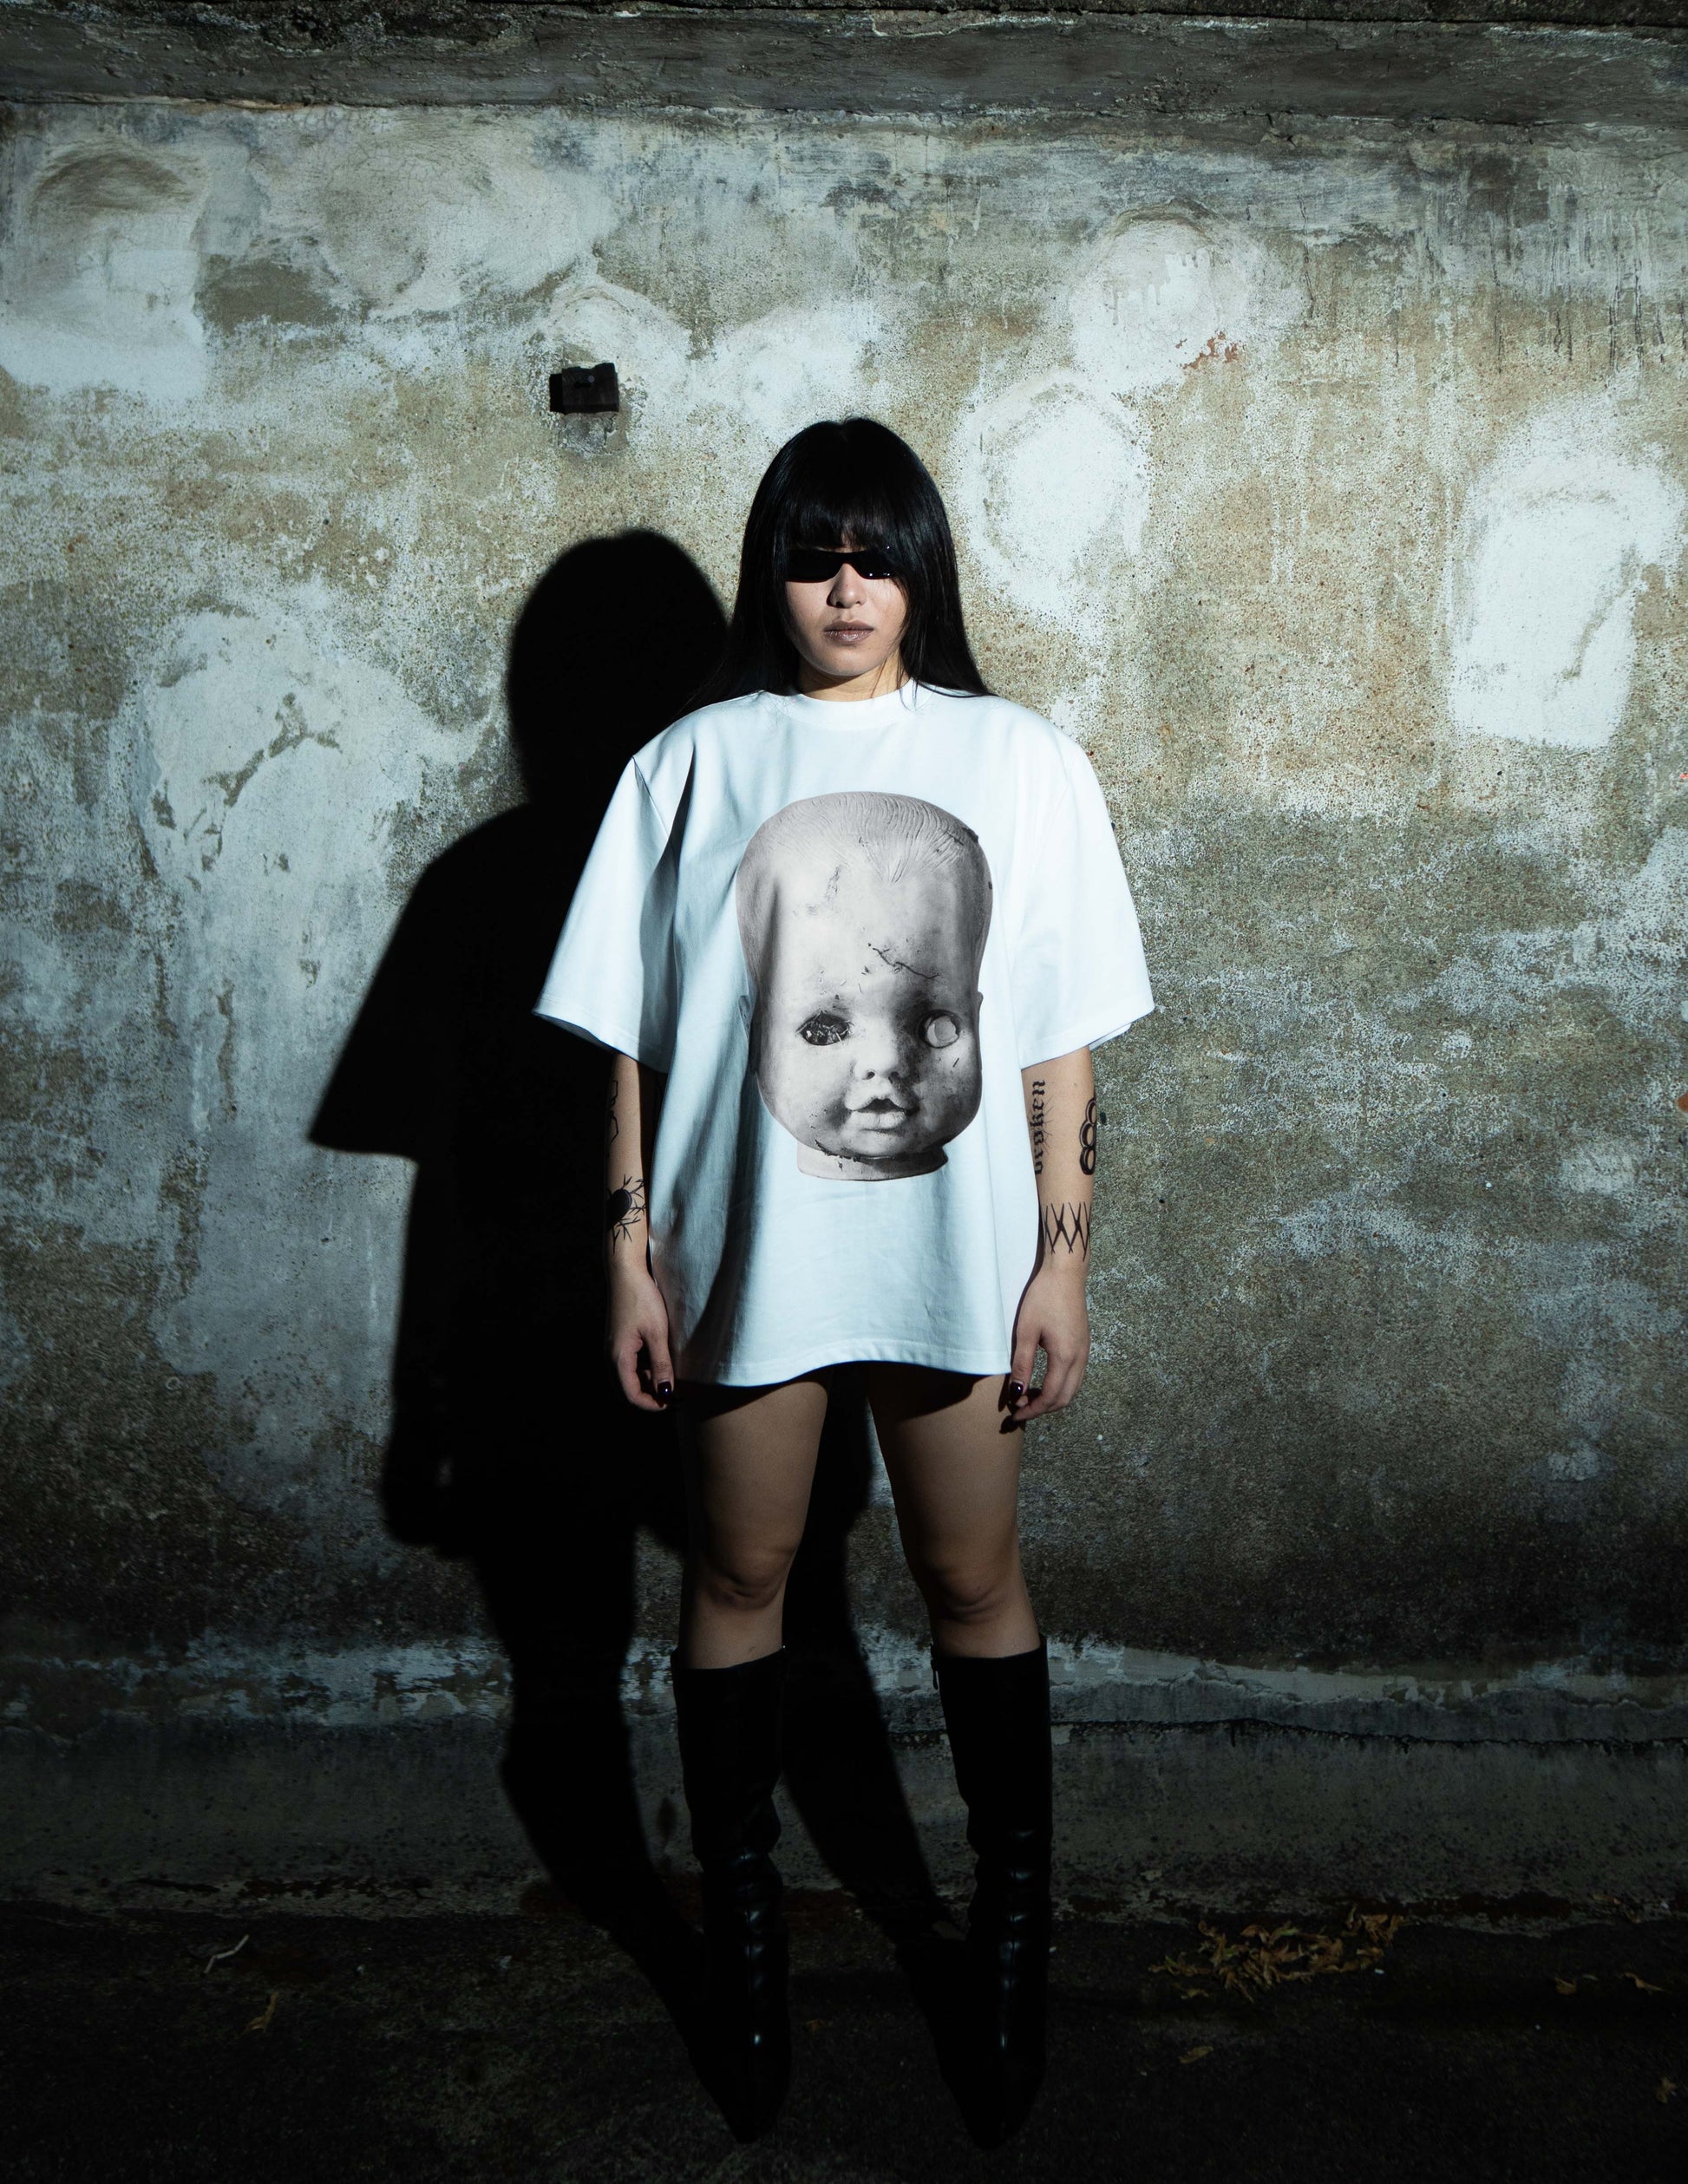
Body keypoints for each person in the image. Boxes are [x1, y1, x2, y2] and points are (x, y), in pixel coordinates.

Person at [534, 417, 1155, 2145]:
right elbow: (638, 1039)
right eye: (813, 554)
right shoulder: (688, 762)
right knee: (741, 1572)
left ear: (921, 569)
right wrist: (626, 1247)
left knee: (975, 1574)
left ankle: (1010, 1934)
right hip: (747, 1252)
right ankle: (743, 1946)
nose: (844, 589)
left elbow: (1058, 1032)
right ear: (773, 570)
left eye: (875, 554)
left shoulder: (1021, 759)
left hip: (957, 1253)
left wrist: (1060, 1254)